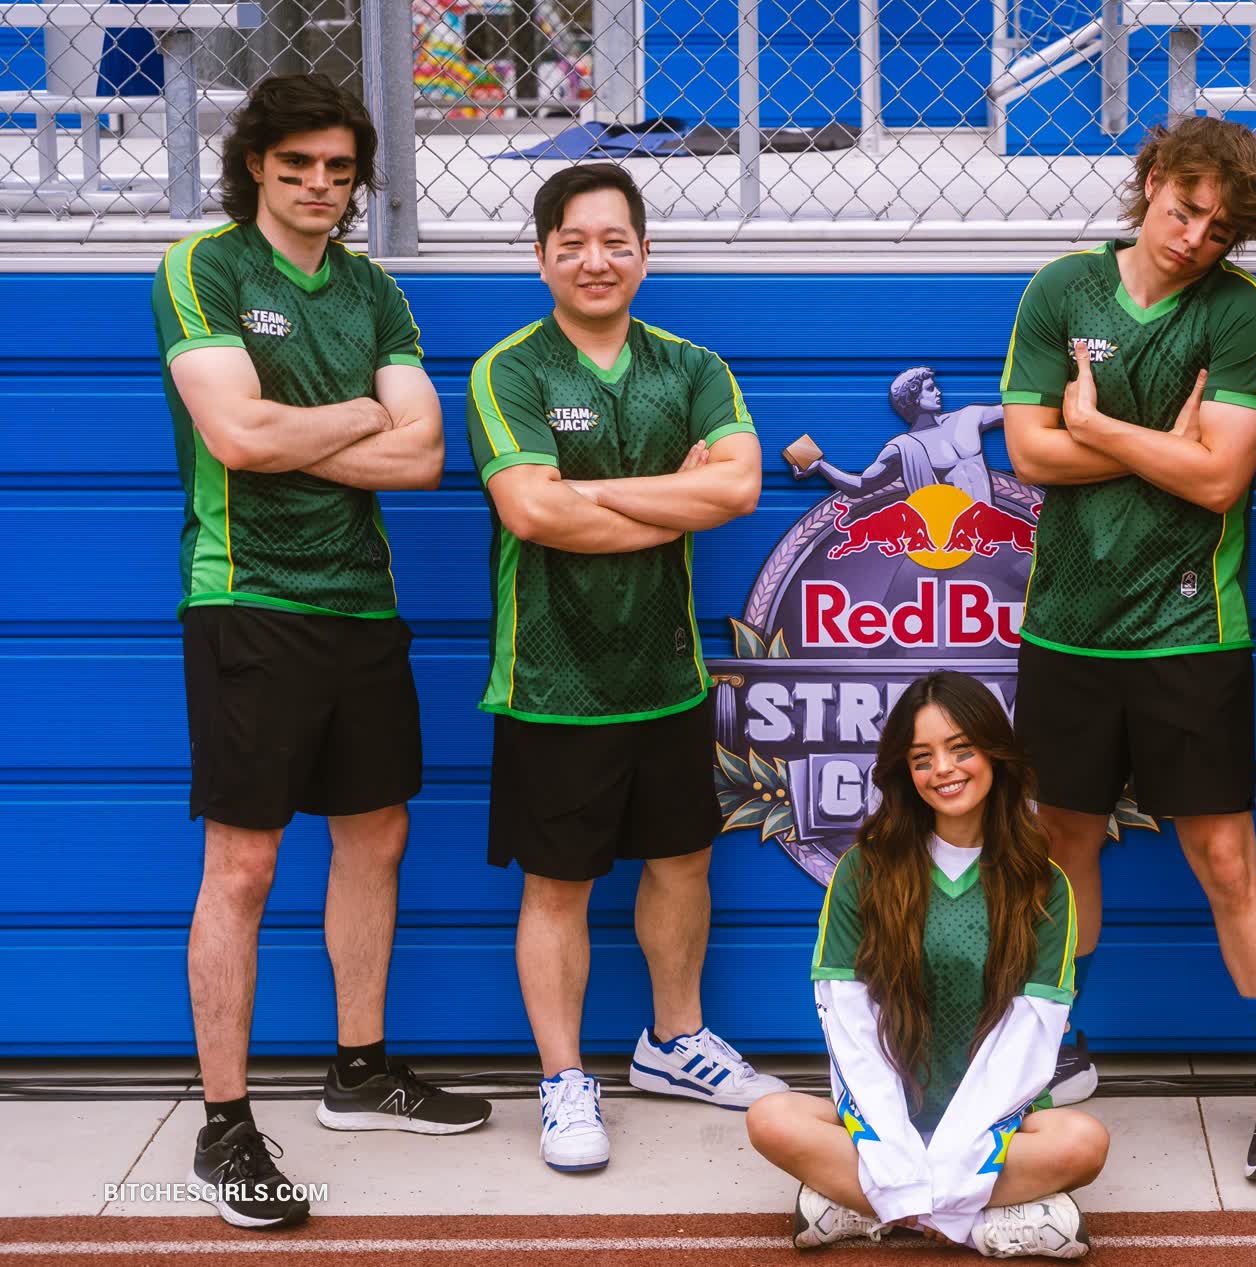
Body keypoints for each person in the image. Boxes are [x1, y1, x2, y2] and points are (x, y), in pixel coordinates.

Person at [152, 73, 488, 1230]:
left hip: (360, 602)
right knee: (243, 865)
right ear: (255, 162)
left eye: (340, 170)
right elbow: (236, 436)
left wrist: (299, 431)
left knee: (375, 834)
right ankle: (224, 1124)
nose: (320, 186)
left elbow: (425, 456)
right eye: (297, 164)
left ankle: (358, 1071)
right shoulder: (203, 268)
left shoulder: (373, 288)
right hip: (247, 596)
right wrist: (358, 414)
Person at [997, 117, 1256, 1181]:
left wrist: (1097, 428)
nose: (1194, 239)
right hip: (1067, 629)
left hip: (1190, 630)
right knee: (1062, 844)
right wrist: (1161, 444)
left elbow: (1219, 479)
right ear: (1149, 184)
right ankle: (1059, 1045)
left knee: (1225, 858)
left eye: (1221, 230)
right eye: (1184, 211)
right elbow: (1029, 452)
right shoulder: (1061, 290)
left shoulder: (1242, 311)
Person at [465, 163, 786, 1174]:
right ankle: (563, 1079)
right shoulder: (510, 371)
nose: (594, 260)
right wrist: (668, 498)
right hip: (551, 681)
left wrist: (595, 496)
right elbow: (531, 511)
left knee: (683, 860)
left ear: (645, 253)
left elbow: (738, 488)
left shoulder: (691, 367)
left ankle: (673, 1041)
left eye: (614, 242)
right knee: (557, 884)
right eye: (572, 243)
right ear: (541, 256)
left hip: (667, 675)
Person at [747, 671, 1106, 1259]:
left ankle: (871, 1206)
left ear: (995, 754)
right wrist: (892, 1154)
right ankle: (983, 1217)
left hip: (999, 1127)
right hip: (891, 1116)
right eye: (922, 758)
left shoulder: (1045, 884)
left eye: (961, 749)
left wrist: (961, 1161)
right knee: (769, 1118)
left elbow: (1027, 1042)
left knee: (1083, 1142)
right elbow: (851, 1030)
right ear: (904, 772)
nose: (943, 769)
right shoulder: (863, 870)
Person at [794, 367, 1006, 504]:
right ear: (913, 398)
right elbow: (860, 487)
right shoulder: (902, 447)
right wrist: (821, 466)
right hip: (949, 540)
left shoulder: (969, 416)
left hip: (989, 527)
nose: (939, 392)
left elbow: (1013, 413)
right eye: (930, 389)